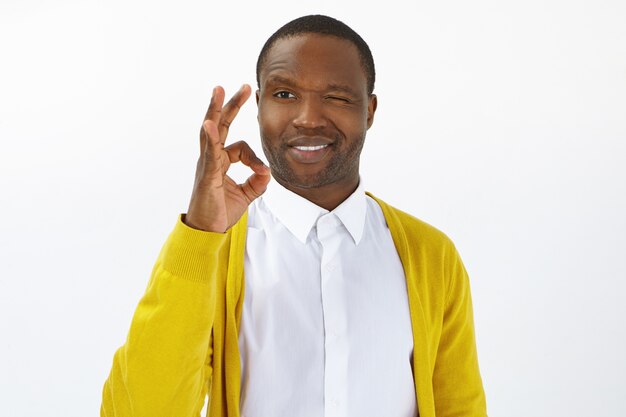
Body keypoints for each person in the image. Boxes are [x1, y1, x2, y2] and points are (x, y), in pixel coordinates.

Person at [101, 14, 487, 417]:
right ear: (259, 105)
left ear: (369, 111)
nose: (307, 118)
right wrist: (200, 234)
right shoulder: (214, 252)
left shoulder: (431, 256)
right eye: (285, 95)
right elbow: (140, 408)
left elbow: (460, 407)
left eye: (336, 97)